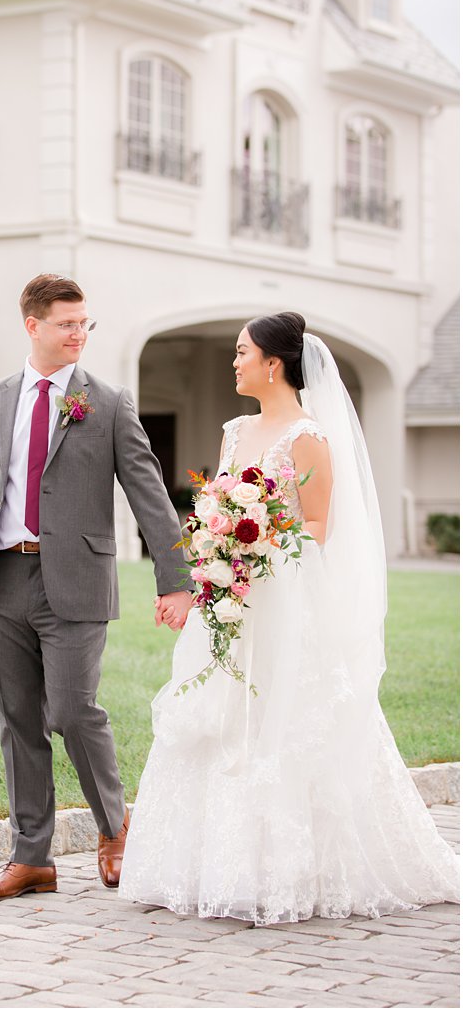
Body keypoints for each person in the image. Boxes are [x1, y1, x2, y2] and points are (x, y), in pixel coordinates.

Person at [121, 314, 459, 925]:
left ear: (273, 364)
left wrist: (256, 551)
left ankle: (291, 869)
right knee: (219, 713)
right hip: (230, 597)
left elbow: (318, 527)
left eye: (243, 352)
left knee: (287, 716)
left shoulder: (309, 436)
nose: (235, 361)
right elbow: (218, 501)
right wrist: (213, 549)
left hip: (282, 598)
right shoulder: (234, 431)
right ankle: (200, 864)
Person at [0, 273, 191, 901]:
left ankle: (116, 828)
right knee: (17, 719)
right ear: (33, 326)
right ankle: (31, 858)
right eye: (66, 323)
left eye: (84, 323)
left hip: (77, 581)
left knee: (73, 710)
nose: (78, 333)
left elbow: (150, 497)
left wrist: (177, 578)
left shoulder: (108, 404)